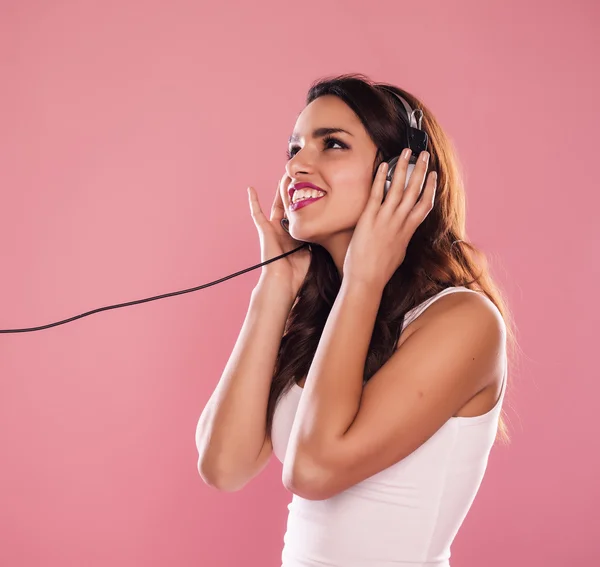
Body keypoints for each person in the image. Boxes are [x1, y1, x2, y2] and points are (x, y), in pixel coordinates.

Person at [195, 73, 516, 567]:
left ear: (400, 176)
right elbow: (224, 466)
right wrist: (274, 287)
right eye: (294, 148)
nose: (298, 165)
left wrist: (364, 277)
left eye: (333, 145)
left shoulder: (463, 321)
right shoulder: (328, 315)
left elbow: (315, 469)